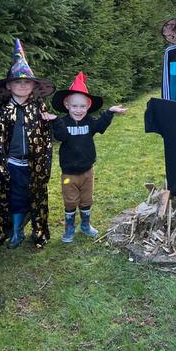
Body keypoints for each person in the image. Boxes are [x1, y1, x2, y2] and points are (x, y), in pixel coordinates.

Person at [0, 38, 55, 249]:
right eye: (18, 82)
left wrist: (45, 160)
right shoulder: (4, 109)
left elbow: (46, 136)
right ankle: (17, 231)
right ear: (9, 86)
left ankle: (38, 230)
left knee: (36, 196)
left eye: (27, 82)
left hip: (35, 163)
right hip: (13, 163)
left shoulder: (38, 106)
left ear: (34, 85)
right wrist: (2, 164)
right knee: (16, 198)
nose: (23, 85)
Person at [51, 72, 127, 243]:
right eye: (74, 106)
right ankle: (69, 228)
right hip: (69, 174)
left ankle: (85, 225)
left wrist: (109, 112)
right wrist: (55, 121)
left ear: (88, 106)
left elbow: (100, 126)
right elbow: (60, 136)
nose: (79, 110)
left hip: (87, 171)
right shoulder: (63, 123)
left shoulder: (89, 122)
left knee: (86, 199)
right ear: (67, 105)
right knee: (70, 201)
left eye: (82, 106)